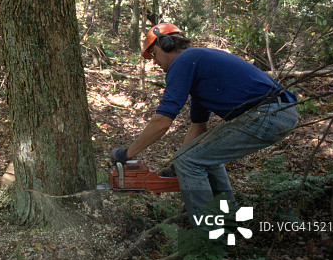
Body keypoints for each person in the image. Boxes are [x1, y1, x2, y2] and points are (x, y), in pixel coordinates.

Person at [110, 22, 298, 229]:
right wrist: (178, 162)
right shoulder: (198, 67)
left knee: (189, 162)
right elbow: (198, 126)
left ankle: (208, 236)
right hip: (276, 113)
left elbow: (162, 121)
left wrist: (127, 154)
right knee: (198, 158)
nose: (154, 62)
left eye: (153, 54)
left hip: (267, 113)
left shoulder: (184, 61)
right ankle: (230, 221)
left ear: (165, 43)